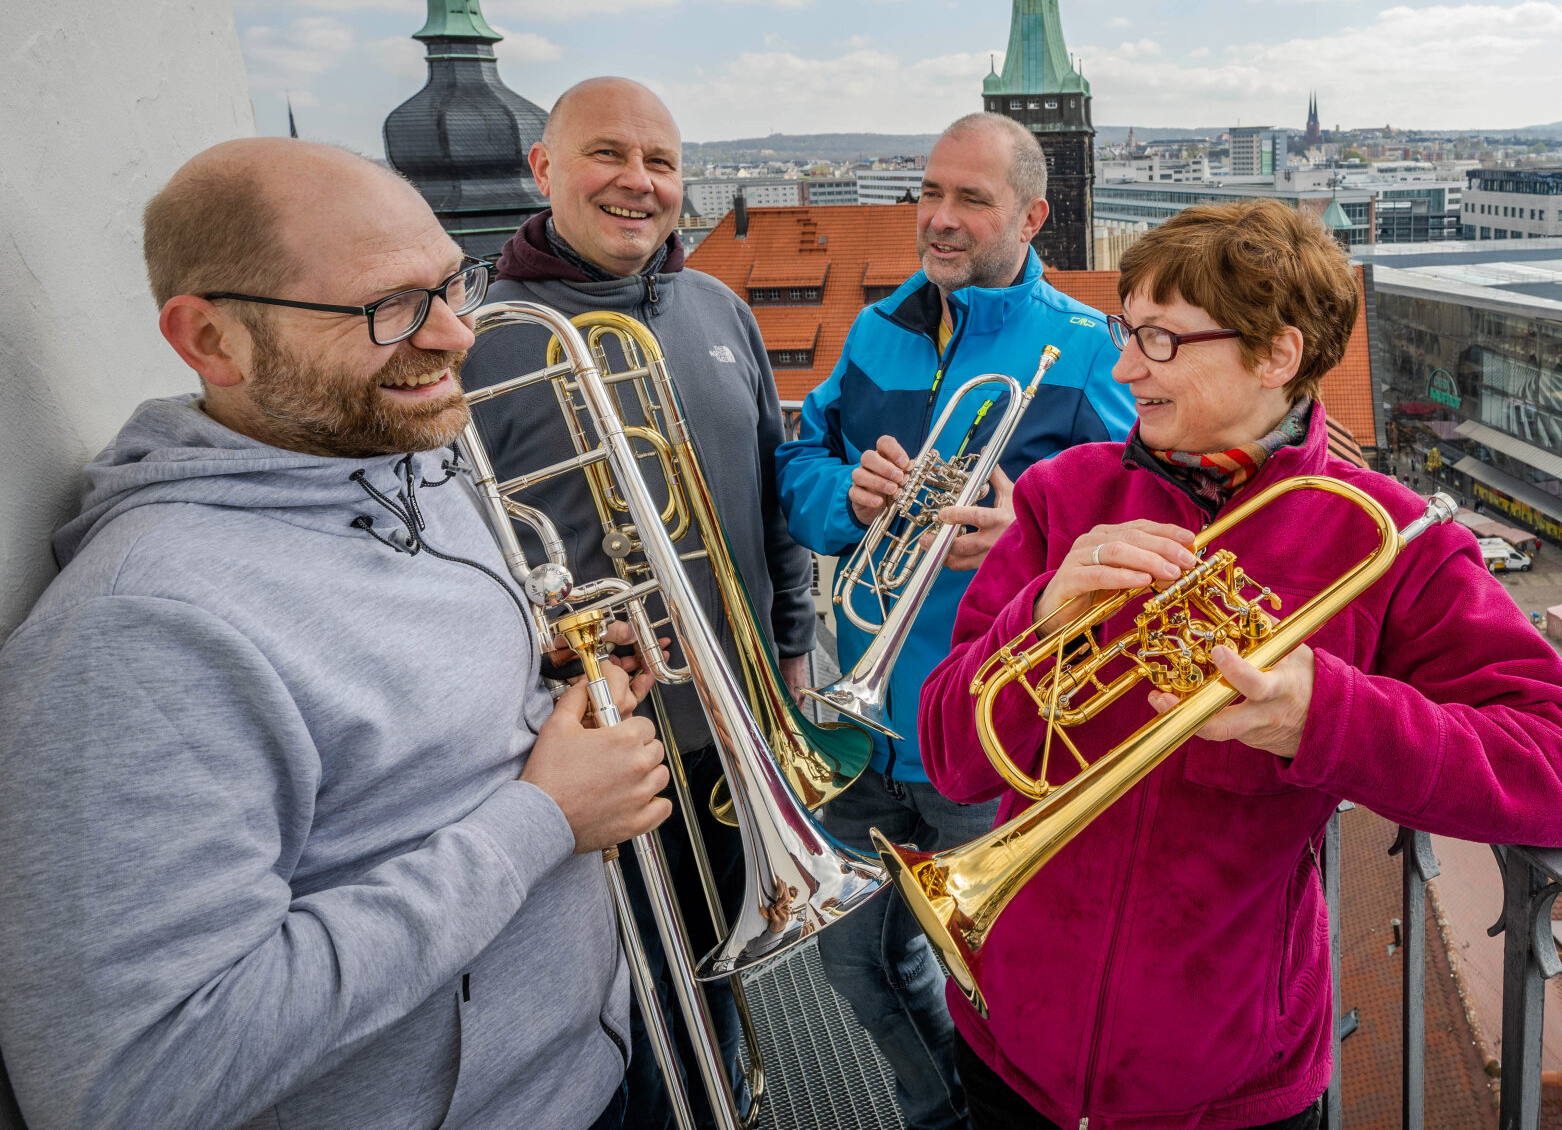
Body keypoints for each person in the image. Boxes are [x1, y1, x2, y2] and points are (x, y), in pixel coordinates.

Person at [0, 139, 670, 1130]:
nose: (454, 334)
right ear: (213, 341)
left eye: (453, 282)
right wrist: (540, 820)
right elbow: (131, 1083)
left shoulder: (394, 452)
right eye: (388, 307)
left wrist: (549, 670)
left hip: (589, 1056)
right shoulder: (138, 635)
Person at [919, 199, 1562, 1130]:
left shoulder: (1395, 543)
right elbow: (950, 755)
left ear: (1277, 356)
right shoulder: (1065, 496)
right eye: (1127, 333)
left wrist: (1322, 715)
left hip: (1230, 1088)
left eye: (1162, 341)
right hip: (1009, 1049)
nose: (1126, 366)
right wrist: (1041, 617)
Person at [461, 76, 836, 1126]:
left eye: (661, 161)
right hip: (596, 750)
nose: (639, 182)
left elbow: (770, 497)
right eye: (607, 155)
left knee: (717, 967)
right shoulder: (485, 342)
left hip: (733, 728)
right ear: (543, 169)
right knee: (618, 998)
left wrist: (793, 655)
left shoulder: (717, 307)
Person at [777, 112, 1132, 1130]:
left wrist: (1033, 530)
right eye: (929, 192)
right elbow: (797, 463)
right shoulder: (877, 327)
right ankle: (940, 1117)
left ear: (1031, 214)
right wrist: (843, 494)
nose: (938, 217)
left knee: (1004, 988)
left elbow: (1139, 522)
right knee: (854, 961)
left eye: (969, 199)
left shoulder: (1080, 347)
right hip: (863, 731)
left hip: (988, 737)